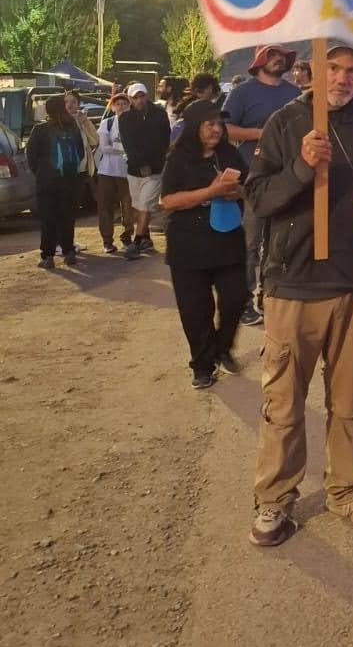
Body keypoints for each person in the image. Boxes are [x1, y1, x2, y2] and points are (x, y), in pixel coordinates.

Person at [246, 42, 353, 546]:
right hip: (294, 283)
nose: (342, 78)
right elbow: (258, 198)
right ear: (314, 71)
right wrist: (300, 166)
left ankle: (346, 488)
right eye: (333, 68)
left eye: (352, 70)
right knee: (283, 402)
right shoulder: (283, 124)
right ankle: (275, 498)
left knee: (351, 399)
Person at [159, 100, 249, 389]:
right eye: (209, 124)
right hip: (188, 245)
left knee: (236, 298)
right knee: (195, 311)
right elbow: (168, 201)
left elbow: (251, 188)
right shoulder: (179, 158)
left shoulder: (230, 154)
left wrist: (238, 191)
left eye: (219, 124)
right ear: (195, 126)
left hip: (227, 240)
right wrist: (210, 192)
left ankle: (222, 348)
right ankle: (202, 365)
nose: (216, 129)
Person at [222, 45, 298, 326]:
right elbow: (225, 129)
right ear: (260, 60)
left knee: (280, 242)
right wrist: (262, 133)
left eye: (283, 56)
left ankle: (269, 295)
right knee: (250, 243)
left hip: (288, 177)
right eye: (273, 54)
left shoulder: (294, 94)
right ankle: (243, 301)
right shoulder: (242, 93)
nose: (279, 59)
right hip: (253, 178)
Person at [26, 95, 85, 270]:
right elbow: (81, 152)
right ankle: (69, 251)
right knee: (67, 217)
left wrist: (40, 172)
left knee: (48, 218)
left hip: (47, 181)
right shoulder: (72, 126)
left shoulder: (40, 129)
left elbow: (31, 156)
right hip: (70, 180)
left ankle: (48, 256)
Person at [118, 83, 171, 260]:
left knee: (145, 205)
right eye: (136, 97)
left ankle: (137, 242)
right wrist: (140, 163)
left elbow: (164, 140)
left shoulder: (160, 114)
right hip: (134, 170)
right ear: (130, 99)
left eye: (142, 96)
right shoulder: (125, 118)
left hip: (155, 170)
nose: (140, 100)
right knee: (138, 205)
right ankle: (145, 238)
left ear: (147, 96)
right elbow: (128, 144)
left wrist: (155, 162)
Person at [95, 93, 136, 252]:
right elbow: (104, 147)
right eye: (117, 104)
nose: (121, 107)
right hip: (107, 171)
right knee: (105, 206)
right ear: (112, 107)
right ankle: (107, 241)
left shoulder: (135, 124)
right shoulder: (107, 123)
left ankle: (127, 237)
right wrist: (125, 149)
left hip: (127, 172)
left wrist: (120, 148)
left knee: (128, 206)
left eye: (124, 104)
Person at [64, 90, 99, 192]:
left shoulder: (84, 119)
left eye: (73, 102)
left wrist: (84, 124)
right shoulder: (59, 121)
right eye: (66, 102)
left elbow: (95, 141)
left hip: (82, 168)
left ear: (78, 105)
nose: (69, 105)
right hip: (65, 168)